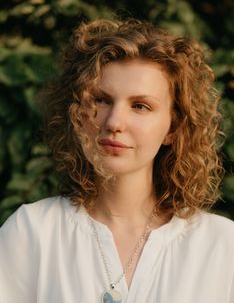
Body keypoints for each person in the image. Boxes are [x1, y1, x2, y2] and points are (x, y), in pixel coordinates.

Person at [0, 18, 234, 303]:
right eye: (101, 100)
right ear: (77, 114)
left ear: (172, 129)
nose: (114, 122)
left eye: (140, 106)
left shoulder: (221, 246)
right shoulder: (33, 232)